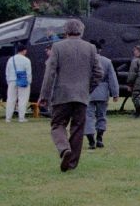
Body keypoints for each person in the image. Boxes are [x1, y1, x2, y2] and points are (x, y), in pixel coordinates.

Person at [37, 18, 104, 172]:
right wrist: (87, 88)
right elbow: (99, 73)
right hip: (81, 95)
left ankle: (63, 148)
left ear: (65, 31)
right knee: (78, 128)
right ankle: (72, 163)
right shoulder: (91, 48)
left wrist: (44, 95)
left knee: (57, 124)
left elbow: (50, 73)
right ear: (81, 31)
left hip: (61, 95)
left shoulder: (57, 47)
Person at [84, 42, 119, 150]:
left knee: (88, 117)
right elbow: (112, 78)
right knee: (101, 116)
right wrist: (115, 93)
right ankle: (99, 138)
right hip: (102, 92)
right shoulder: (107, 61)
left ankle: (91, 141)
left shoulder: (84, 61)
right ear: (100, 50)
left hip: (87, 92)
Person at [5, 42, 33, 122]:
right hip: (23, 80)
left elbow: (7, 72)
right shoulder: (27, 60)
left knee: (10, 99)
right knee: (23, 99)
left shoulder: (11, 59)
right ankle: (21, 117)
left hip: (12, 80)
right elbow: (28, 73)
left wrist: (8, 81)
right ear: (24, 51)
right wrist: (29, 82)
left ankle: (8, 118)